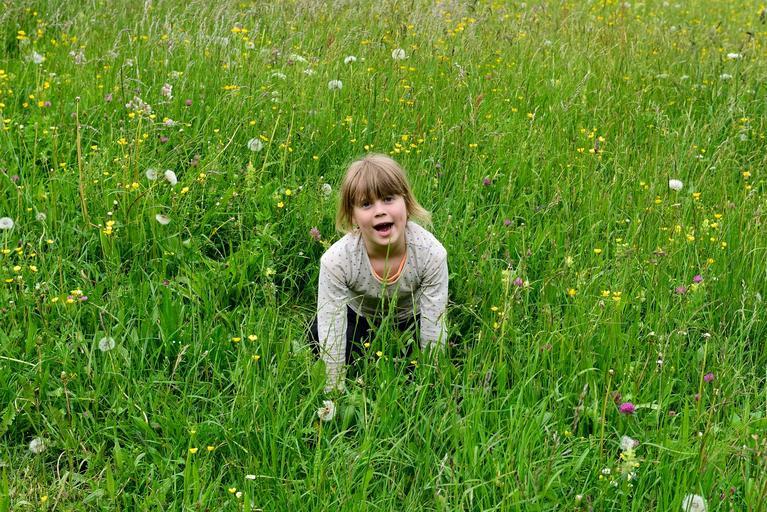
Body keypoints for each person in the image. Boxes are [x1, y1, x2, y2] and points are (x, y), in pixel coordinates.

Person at [309, 154, 448, 392]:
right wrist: (334, 391)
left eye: (388, 199)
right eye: (366, 204)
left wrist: (431, 383)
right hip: (360, 318)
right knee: (318, 335)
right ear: (352, 215)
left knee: (417, 358)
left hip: (410, 320)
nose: (380, 211)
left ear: (406, 203)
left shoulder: (430, 253)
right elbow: (332, 326)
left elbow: (434, 325)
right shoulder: (337, 261)